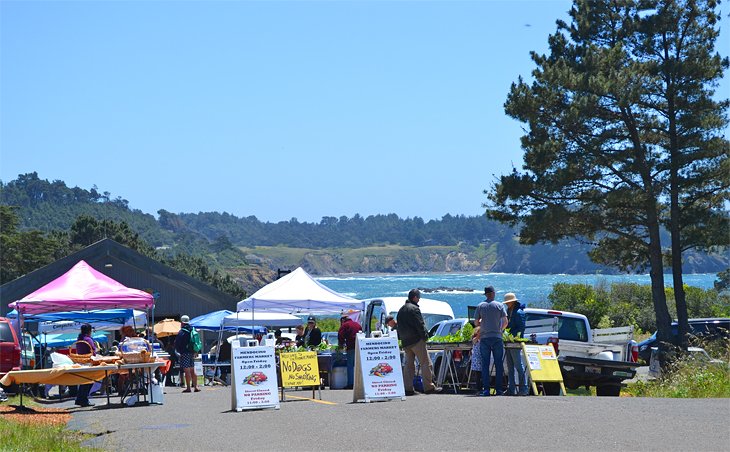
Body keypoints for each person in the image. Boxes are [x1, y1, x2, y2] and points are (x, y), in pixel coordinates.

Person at [397, 289, 441, 395]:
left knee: (409, 365)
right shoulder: (414, 309)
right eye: (419, 297)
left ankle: (407, 388)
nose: (419, 299)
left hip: (406, 342)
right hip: (416, 340)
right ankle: (429, 387)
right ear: (415, 297)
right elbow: (420, 324)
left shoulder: (401, 310)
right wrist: (425, 337)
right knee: (426, 363)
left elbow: (398, 327)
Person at [474, 285, 508, 396]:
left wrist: (482, 327)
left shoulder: (480, 306)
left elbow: (476, 322)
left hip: (484, 337)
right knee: (498, 364)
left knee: (485, 364)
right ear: (493, 293)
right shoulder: (499, 305)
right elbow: (505, 321)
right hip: (497, 337)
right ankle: (499, 390)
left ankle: (486, 390)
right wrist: (500, 330)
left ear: (486, 294)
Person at [503, 292, 529, 396]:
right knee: (510, 367)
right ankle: (511, 388)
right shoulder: (509, 311)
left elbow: (521, 328)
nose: (506, 304)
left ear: (513, 302)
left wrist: (512, 335)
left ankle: (524, 388)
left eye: (508, 302)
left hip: (515, 342)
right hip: (509, 341)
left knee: (518, 366)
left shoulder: (518, 313)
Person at [174, 315, 200, 393]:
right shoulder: (192, 329)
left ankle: (188, 387)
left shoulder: (182, 331)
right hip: (192, 352)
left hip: (184, 352)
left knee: (187, 370)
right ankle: (196, 386)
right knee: (192, 369)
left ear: (182, 322)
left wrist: (179, 351)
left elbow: (177, 343)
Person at [74, 323, 97, 406]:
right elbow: (93, 352)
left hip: (81, 361)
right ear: (89, 331)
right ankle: (84, 399)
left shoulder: (79, 339)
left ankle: (80, 399)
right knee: (90, 380)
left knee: (84, 381)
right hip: (88, 362)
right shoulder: (88, 339)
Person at [337, 313, 362, 389]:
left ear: (343, 320)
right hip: (359, 347)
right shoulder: (357, 324)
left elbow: (340, 335)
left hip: (351, 347)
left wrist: (341, 344)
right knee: (358, 366)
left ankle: (351, 384)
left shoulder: (345, 325)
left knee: (350, 366)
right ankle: (359, 383)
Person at [470, 326, 482, 392]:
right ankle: (478, 388)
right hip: (476, 359)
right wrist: (478, 336)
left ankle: (481, 387)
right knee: (478, 375)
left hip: (482, 358)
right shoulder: (475, 339)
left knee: (482, 374)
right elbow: (474, 341)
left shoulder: (482, 340)